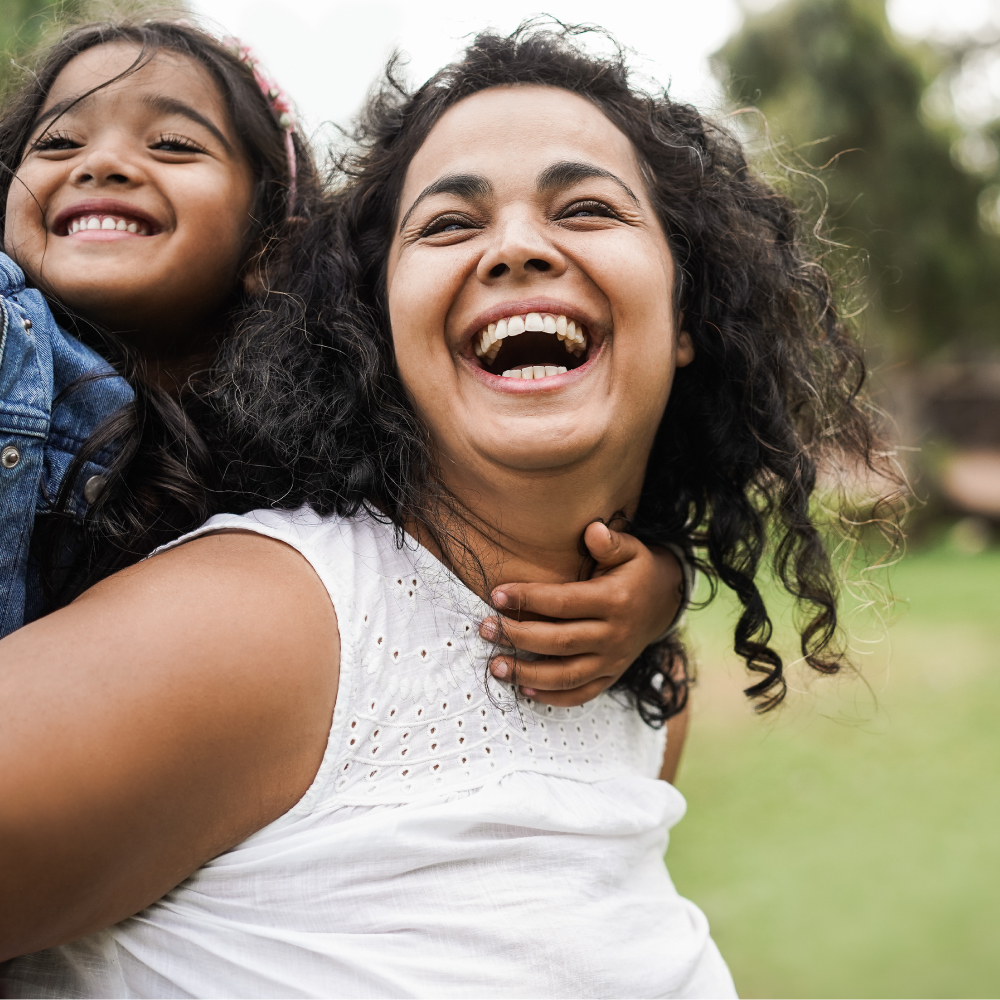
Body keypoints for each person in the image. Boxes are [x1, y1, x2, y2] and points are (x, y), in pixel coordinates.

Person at [0, 23, 891, 999]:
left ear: (689, 314)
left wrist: (659, 589)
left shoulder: (629, 682)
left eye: (587, 207)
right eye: (449, 224)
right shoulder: (264, 626)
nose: (514, 247)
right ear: (374, 323)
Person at [0, 17, 685, 699]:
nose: (102, 162)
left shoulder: (300, 442)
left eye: (174, 145)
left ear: (273, 245)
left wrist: (656, 589)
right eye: (58, 141)